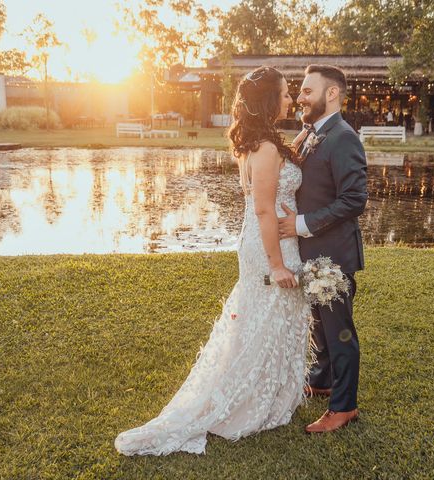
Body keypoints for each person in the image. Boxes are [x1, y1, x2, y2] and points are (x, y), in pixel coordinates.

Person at [114, 66, 314, 456]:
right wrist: (276, 264)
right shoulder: (268, 148)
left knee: (266, 316)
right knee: (269, 312)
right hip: (268, 243)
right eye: (286, 94)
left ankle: (267, 392)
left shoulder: (259, 142)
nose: (291, 100)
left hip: (260, 240)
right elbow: (262, 210)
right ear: (270, 101)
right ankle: (248, 401)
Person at [279, 64, 368, 433]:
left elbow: (354, 200)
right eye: (299, 91)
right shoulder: (313, 133)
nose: (300, 97)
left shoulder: (343, 137)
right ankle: (321, 379)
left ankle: (343, 407)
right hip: (313, 252)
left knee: (339, 330)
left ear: (332, 94)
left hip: (332, 252)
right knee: (319, 322)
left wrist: (299, 224)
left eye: (306, 91)